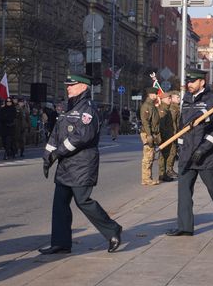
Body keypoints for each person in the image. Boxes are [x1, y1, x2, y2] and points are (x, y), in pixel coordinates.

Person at [39, 74, 122, 254]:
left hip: (82, 164)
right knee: (59, 204)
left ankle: (112, 230)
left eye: (72, 85)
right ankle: (60, 243)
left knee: (83, 201)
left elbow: (81, 137)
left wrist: (57, 153)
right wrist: (47, 155)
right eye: (67, 84)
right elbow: (56, 133)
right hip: (66, 165)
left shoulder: (88, 109)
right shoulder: (69, 107)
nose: (68, 87)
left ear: (84, 87)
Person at [166, 69, 213, 237]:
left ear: (202, 82)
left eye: (193, 81)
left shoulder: (212, 100)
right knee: (184, 191)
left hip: (205, 155)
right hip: (187, 154)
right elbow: (182, 126)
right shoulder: (186, 100)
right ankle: (185, 227)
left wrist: (203, 149)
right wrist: (180, 148)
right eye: (188, 81)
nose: (189, 84)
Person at [140, 87, 161, 185]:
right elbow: (145, 121)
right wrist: (149, 135)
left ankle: (148, 178)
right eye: (155, 94)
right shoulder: (146, 106)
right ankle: (146, 179)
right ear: (151, 94)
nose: (157, 96)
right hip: (147, 133)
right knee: (148, 156)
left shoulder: (152, 105)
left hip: (152, 133)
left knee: (151, 156)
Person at [157, 92, 175, 182]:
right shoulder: (162, 110)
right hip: (164, 137)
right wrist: (162, 138)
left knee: (166, 155)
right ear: (163, 99)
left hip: (168, 136)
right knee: (163, 156)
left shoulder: (166, 109)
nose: (170, 100)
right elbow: (162, 126)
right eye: (168, 98)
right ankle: (162, 174)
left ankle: (164, 174)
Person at [168, 91, 181, 178]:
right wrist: (174, 133)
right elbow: (172, 122)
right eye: (177, 98)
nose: (179, 99)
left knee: (173, 151)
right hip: (172, 133)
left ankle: (169, 169)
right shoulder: (173, 108)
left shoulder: (176, 107)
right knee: (172, 152)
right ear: (172, 98)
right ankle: (169, 170)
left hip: (175, 133)